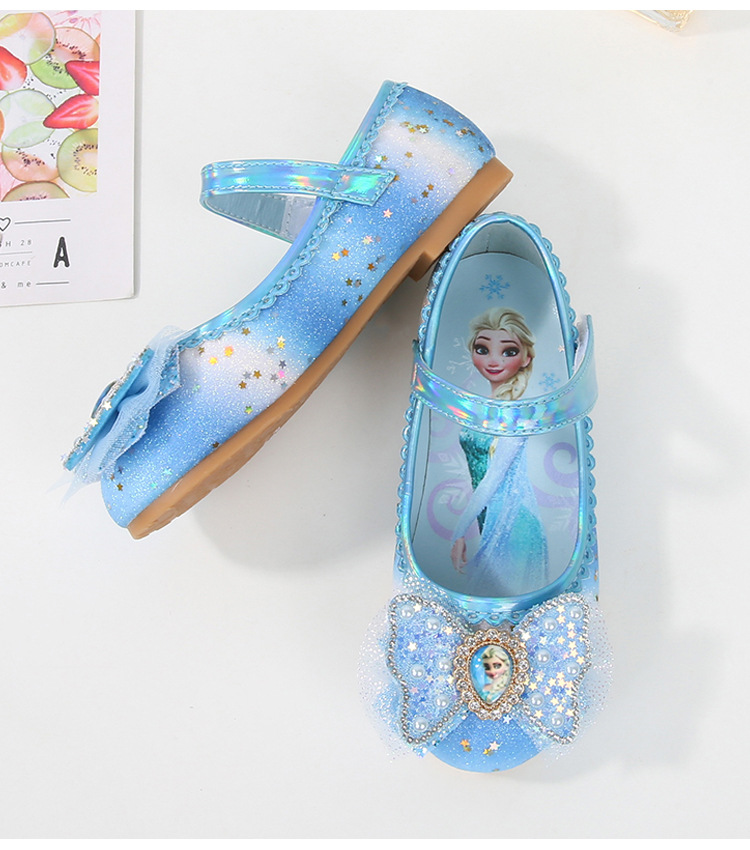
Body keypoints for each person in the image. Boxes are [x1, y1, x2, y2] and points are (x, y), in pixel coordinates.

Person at [450, 307, 549, 597]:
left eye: (508, 352)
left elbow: (493, 479)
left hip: (515, 523)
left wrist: (458, 532)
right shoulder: (480, 410)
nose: (494, 360)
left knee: (504, 601)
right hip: (489, 517)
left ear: (526, 358)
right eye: (483, 349)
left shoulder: (517, 416)